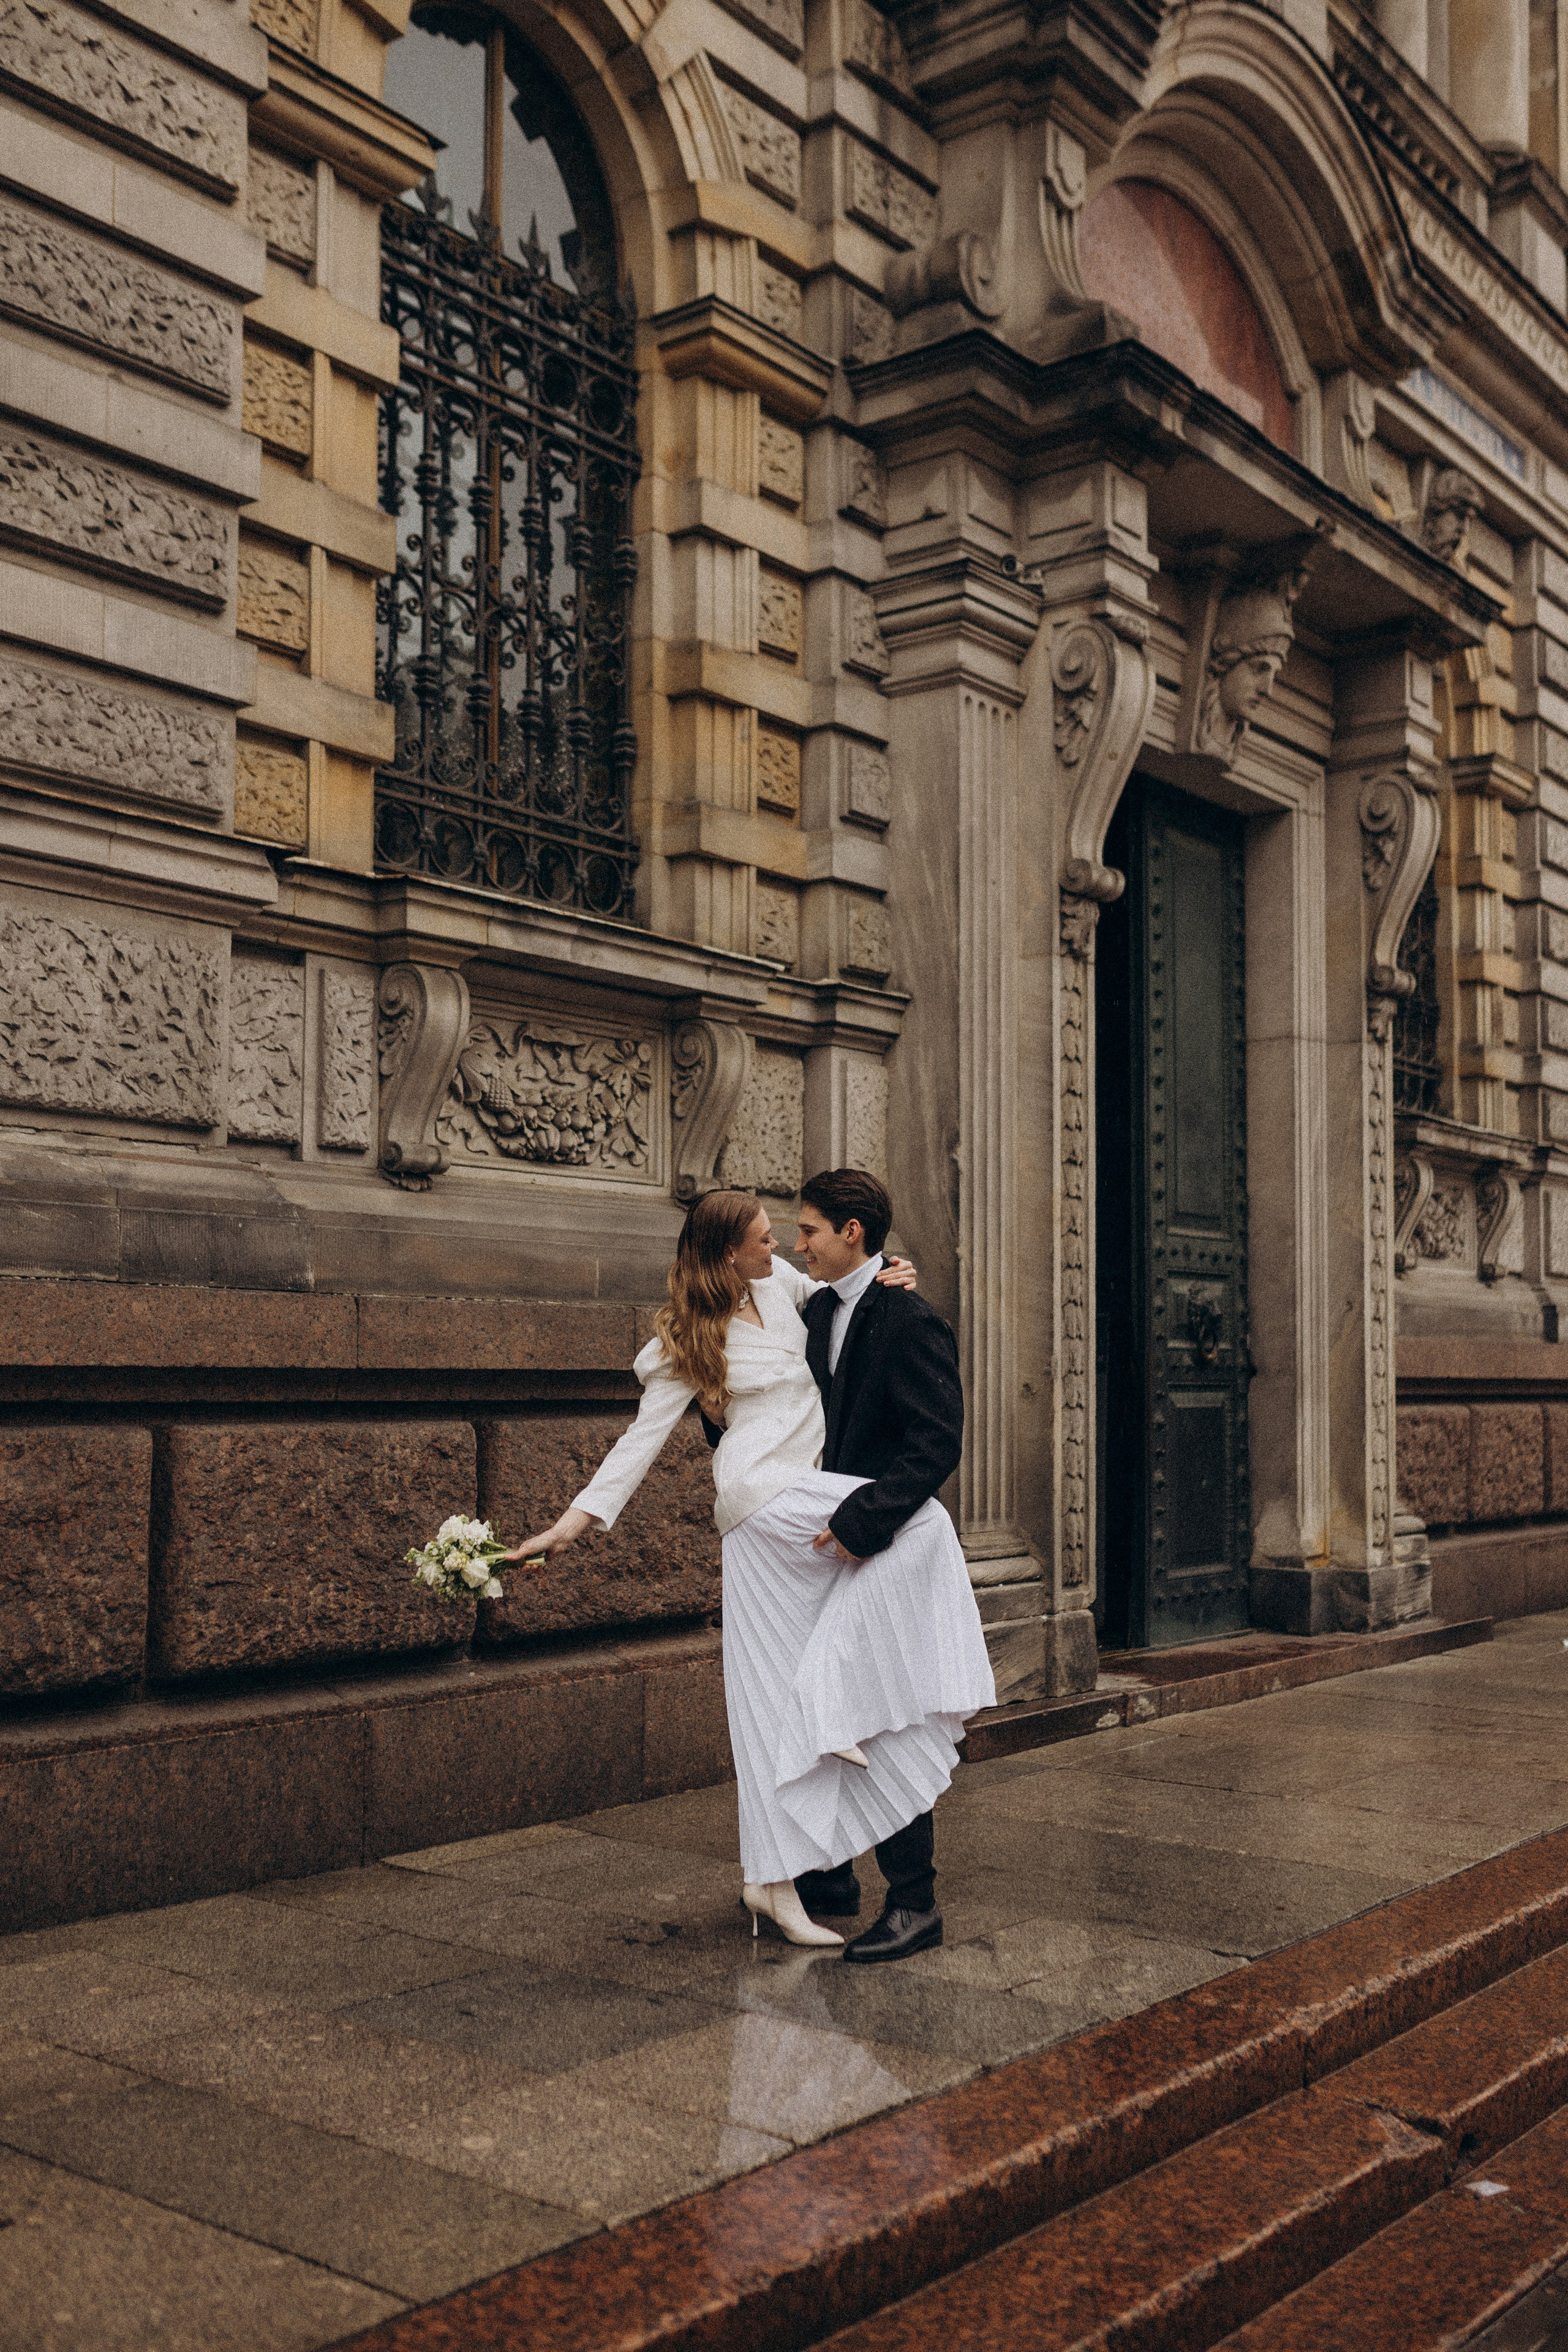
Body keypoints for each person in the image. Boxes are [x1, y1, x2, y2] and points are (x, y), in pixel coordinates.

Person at [503, 1188, 994, 1954]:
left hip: (814, 1505)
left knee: (772, 1696)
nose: (786, 1247)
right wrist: (570, 1527)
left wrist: (900, 1267)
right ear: (729, 1251)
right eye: (769, 1239)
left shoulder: (786, 1291)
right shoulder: (686, 1337)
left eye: (794, 1234)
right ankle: (825, 1744)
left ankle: (782, 1875)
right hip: (764, 1499)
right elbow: (639, 1444)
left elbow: (850, 1280)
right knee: (920, 1527)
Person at [783, 1167, 980, 1961]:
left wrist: (862, 1523)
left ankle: (915, 1902)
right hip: (827, 1544)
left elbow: (936, 1442)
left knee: (882, 1710)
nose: (800, 1245)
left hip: (894, 1540)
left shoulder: (909, 1320)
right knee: (816, 1701)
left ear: (852, 1232)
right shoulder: (814, 1310)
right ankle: (830, 1876)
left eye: (809, 1232)